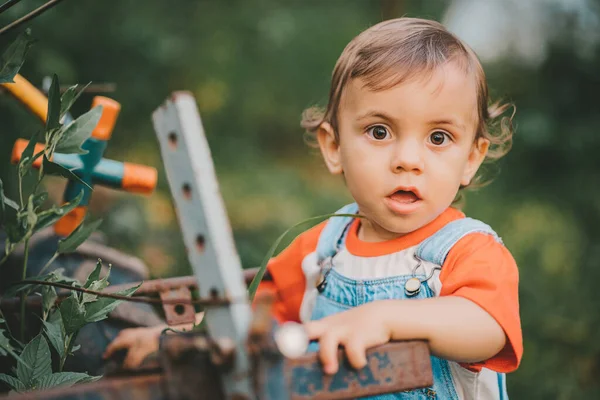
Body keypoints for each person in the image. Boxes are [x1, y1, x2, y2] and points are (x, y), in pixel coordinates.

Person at [105, 17, 522, 399]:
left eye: (438, 138)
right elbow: (247, 321)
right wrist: (172, 340)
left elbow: (487, 328)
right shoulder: (321, 248)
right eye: (379, 131)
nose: (407, 159)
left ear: (471, 157)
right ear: (334, 146)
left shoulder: (468, 251)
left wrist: (386, 318)